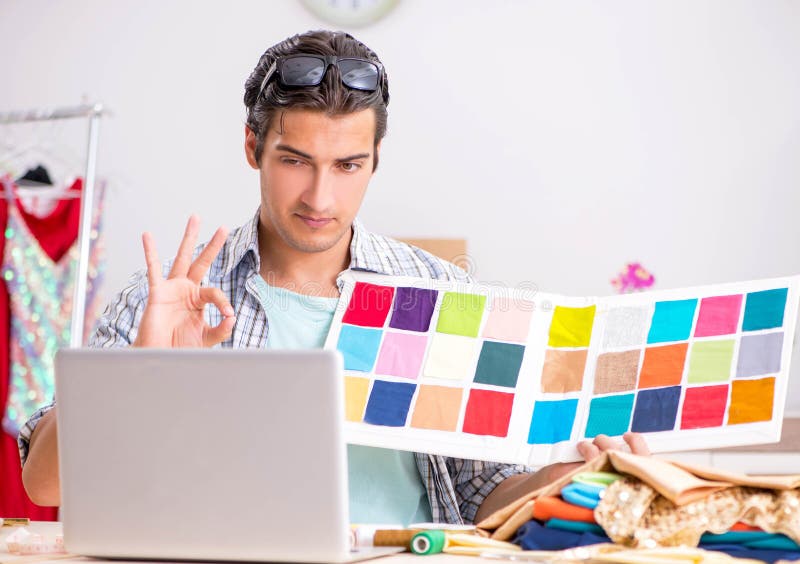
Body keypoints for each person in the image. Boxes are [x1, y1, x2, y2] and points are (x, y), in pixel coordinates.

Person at [18, 30, 649, 523]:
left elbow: (482, 496)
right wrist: (139, 367)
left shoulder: (441, 298)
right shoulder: (171, 298)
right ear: (251, 148)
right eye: (295, 161)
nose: (321, 196)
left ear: (376, 159)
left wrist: (568, 477)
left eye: (348, 165)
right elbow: (42, 485)